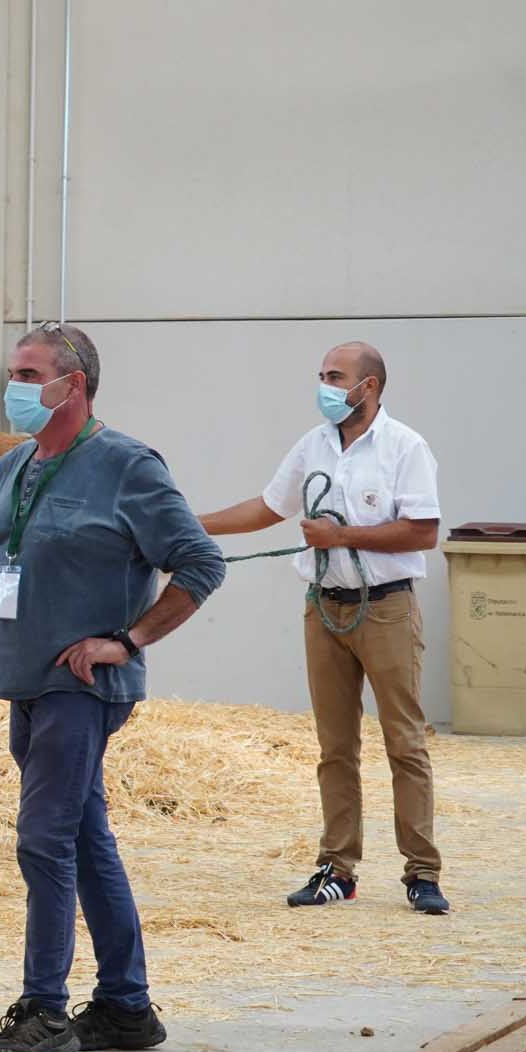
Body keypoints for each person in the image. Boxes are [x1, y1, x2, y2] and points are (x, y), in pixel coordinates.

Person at [0, 325, 224, 1052]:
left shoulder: (128, 465)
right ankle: (126, 1005)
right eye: (13, 371)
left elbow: (199, 561)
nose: (15, 386)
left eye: (29, 372)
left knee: (43, 839)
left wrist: (128, 640)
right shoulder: (20, 466)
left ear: (73, 384)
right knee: (84, 836)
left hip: (83, 686)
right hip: (28, 682)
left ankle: (44, 1009)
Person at [198, 342, 449, 914]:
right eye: (323, 377)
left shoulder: (406, 447)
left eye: (336, 377)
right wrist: (190, 525)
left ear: (371, 387)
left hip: (385, 607)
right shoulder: (313, 445)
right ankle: (338, 867)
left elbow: (423, 531)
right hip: (324, 607)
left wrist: (343, 538)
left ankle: (422, 871)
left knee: (404, 742)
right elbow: (267, 508)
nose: (326, 386)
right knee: (335, 746)